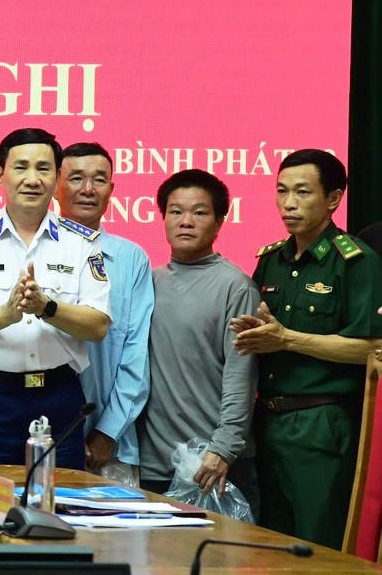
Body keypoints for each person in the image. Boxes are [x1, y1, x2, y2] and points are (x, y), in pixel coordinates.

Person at [232, 149, 382, 547]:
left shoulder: (355, 261)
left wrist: (287, 339)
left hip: (320, 422)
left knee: (317, 546)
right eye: (281, 191)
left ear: (333, 198)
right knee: (272, 547)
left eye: (302, 192)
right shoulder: (271, 260)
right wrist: (255, 333)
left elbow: (372, 349)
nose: (288, 203)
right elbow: (271, 332)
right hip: (266, 420)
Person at [0, 128, 111, 470]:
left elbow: (98, 325)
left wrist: (46, 308)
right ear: (0, 173)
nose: (32, 179)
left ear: (57, 178)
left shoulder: (81, 243)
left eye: (43, 168)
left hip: (59, 397)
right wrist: (6, 314)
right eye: (21, 167)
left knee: (61, 497)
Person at [137, 170, 259, 508]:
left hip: (214, 465)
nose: (186, 221)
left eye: (199, 212)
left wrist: (223, 449)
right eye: (175, 211)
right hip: (153, 465)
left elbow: (241, 375)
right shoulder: (148, 283)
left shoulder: (236, 287)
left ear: (219, 222)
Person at [58, 143, 152, 478]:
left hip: (109, 446)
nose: (88, 189)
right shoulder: (34, 251)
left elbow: (136, 353)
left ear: (111, 189)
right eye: (76, 178)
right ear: (56, 185)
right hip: (42, 432)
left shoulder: (131, 259)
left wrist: (108, 432)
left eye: (99, 180)